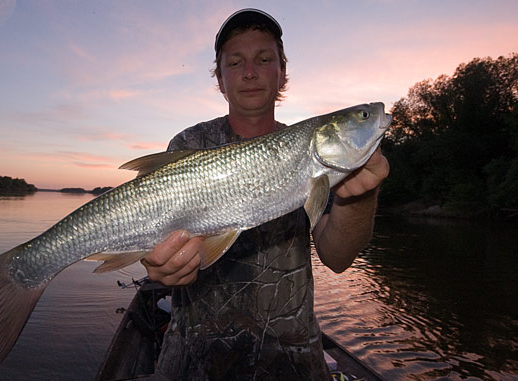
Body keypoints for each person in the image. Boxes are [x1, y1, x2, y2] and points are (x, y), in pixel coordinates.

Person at [140, 8, 389, 380]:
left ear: (282, 72)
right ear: (221, 80)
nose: (250, 72)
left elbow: (336, 258)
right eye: (235, 62)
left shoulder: (317, 158)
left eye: (264, 59)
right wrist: (160, 266)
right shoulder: (190, 145)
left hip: (290, 355)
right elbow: (159, 243)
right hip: (197, 352)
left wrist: (359, 197)